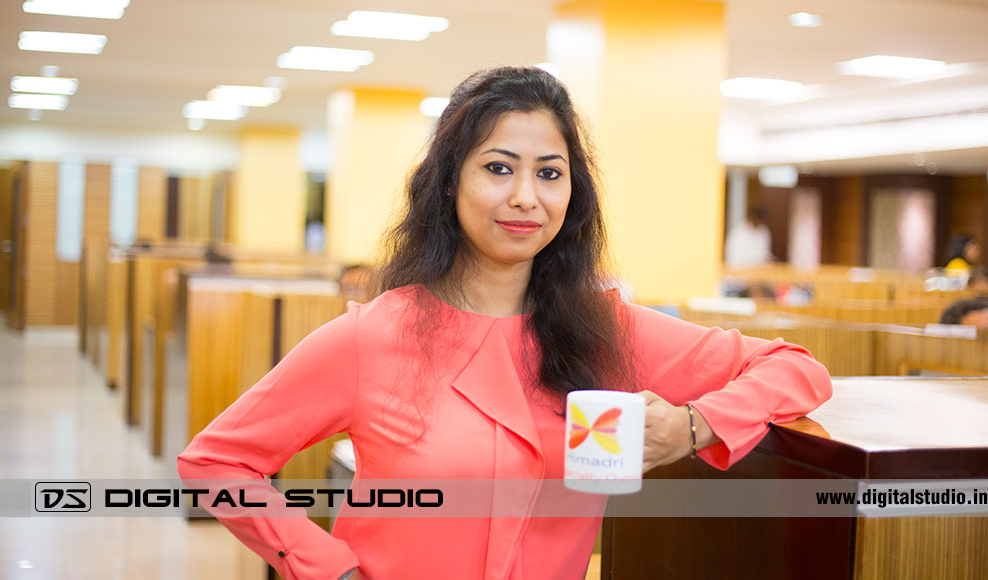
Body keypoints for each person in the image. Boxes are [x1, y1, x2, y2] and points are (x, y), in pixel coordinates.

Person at [177, 67, 832, 580]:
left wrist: (695, 426)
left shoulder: (607, 331)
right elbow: (217, 461)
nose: (526, 196)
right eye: (498, 168)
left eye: (550, 173)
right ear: (447, 183)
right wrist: (329, 566)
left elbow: (795, 368)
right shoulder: (373, 336)